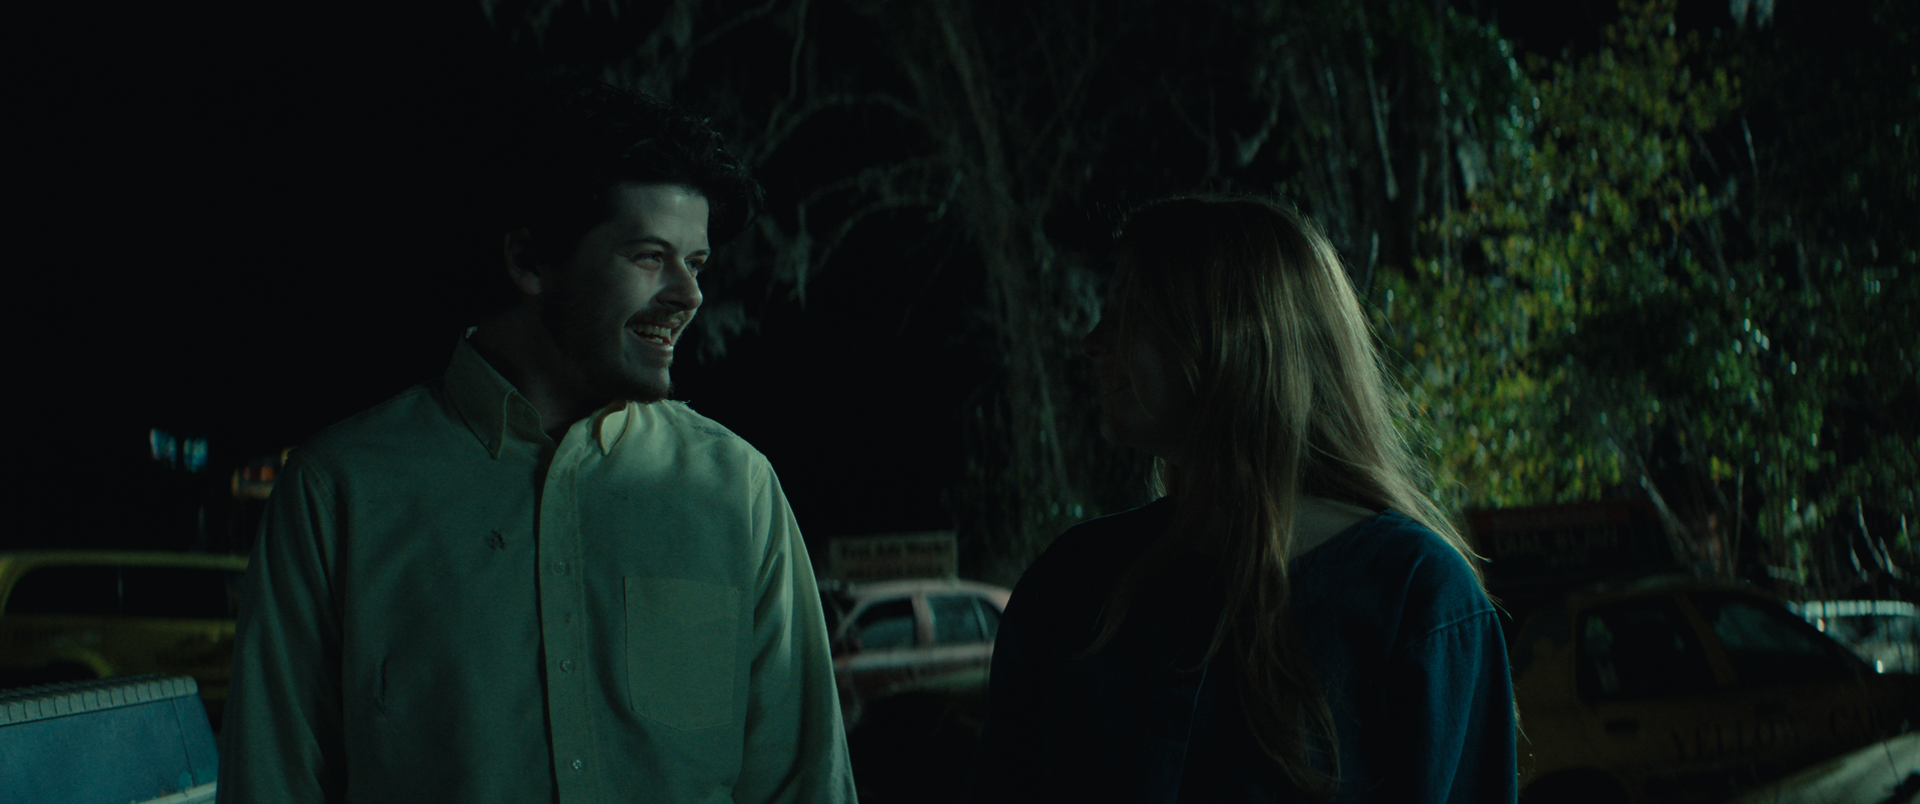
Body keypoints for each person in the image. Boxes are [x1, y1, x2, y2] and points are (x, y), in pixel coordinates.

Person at [218, 77, 856, 803]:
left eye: (697, 262)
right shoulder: (339, 493)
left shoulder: (737, 492)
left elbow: (807, 785)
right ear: (529, 261)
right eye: (650, 256)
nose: (689, 294)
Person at [966, 196, 1517, 802]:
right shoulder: (1069, 584)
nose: (1093, 343)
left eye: (1126, 313)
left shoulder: (1418, 598)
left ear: (1228, 334)